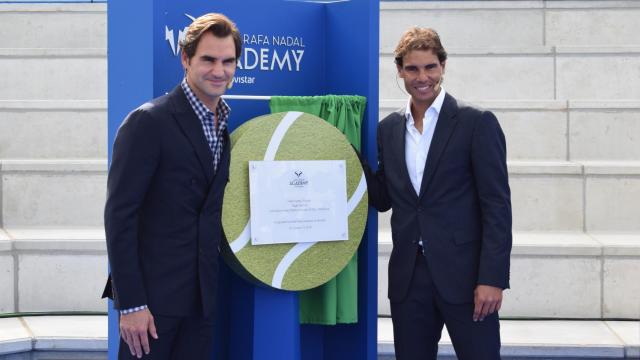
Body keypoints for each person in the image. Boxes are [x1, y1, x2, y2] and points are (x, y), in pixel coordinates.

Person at [364, 27, 512, 359]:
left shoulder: (476, 123)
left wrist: (492, 278)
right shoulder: (388, 129)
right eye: (413, 69)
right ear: (400, 71)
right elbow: (385, 199)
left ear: (443, 66)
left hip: (467, 279)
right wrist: (349, 159)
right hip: (408, 280)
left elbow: (497, 207)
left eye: (430, 67)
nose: (422, 77)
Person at [102, 13, 241, 359]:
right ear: (185, 58)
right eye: (208, 59)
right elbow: (120, 217)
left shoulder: (222, 125)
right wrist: (131, 303)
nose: (219, 70)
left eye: (228, 61)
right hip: (151, 307)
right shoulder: (148, 122)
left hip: (201, 302)